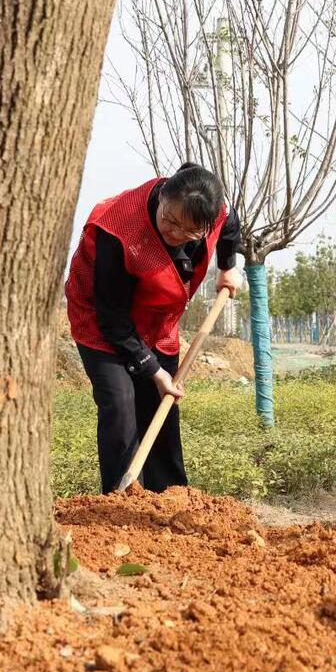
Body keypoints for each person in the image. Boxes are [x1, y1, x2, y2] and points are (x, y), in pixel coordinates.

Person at [65, 163, 240, 494]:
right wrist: (155, 372)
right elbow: (112, 316)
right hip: (101, 320)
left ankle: (168, 495)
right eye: (168, 220)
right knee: (120, 400)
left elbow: (229, 226)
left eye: (186, 231)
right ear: (163, 194)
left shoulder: (213, 214)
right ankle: (123, 497)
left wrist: (227, 267)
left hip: (157, 321)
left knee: (160, 407)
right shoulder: (118, 229)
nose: (172, 233)